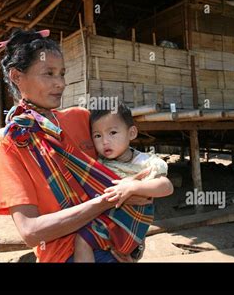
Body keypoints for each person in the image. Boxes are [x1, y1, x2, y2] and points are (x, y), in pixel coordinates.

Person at [0, 28, 157, 262]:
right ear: (17, 76)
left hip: (115, 241)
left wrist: (135, 245)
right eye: (49, 74)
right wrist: (107, 200)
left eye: (62, 74)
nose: (60, 83)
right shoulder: (10, 141)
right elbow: (31, 231)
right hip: (65, 256)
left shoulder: (81, 118)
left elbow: (133, 171)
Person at [73, 104, 173, 262]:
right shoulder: (99, 165)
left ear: (131, 133)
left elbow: (166, 187)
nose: (105, 141)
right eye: (97, 136)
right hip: (107, 221)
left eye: (112, 133)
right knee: (81, 240)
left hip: (132, 222)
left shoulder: (143, 162)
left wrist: (134, 187)